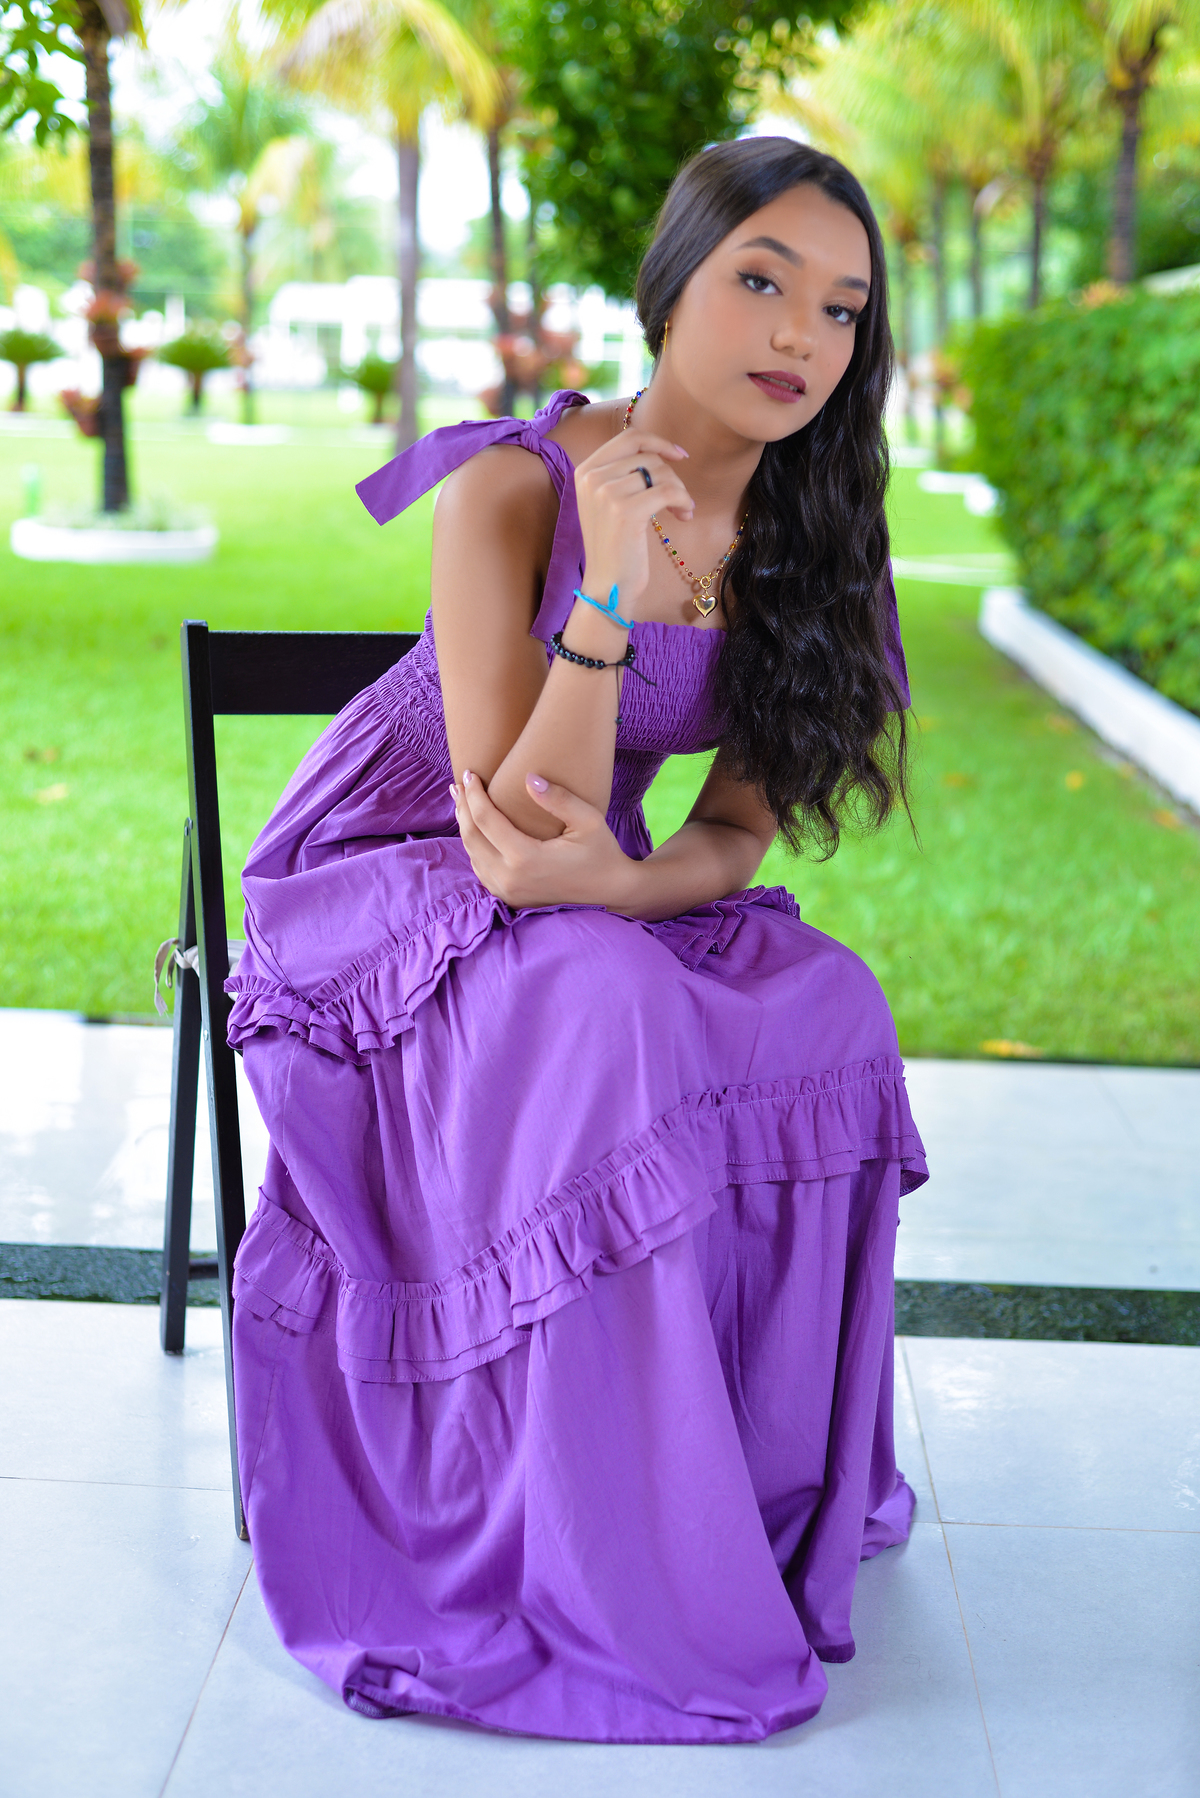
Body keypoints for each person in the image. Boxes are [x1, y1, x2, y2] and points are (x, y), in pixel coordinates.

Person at [225, 136, 928, 1745]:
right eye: (761, 280)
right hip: (400, 880)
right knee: (608, 1001)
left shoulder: (817, 535)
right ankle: (593, 1536)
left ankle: (740, 1491)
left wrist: (629, 887)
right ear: (670, 289)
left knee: (826, 996)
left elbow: (731, 832)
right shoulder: (513, 487)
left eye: (841, 308)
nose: (799, 335)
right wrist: (606, 595)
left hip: (588, 877)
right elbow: (512, 822)